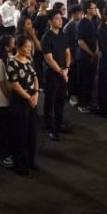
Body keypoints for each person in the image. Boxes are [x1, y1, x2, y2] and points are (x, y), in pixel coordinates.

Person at [6, 33, 40, 176]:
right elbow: (15, 85)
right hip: (20, 102)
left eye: (30, 47)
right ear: (18, 48)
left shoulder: (29, 60)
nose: (29, 50)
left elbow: (35, 77)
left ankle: (31, 161)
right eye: (26, 48)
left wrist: (36, 94)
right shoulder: (12, 62)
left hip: (32, 99)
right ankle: (21, 163)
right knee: (20, 133)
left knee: (32, 133)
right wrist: (29, 98)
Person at [41, 8, 72, 141]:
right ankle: (50, 128)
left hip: (63, 72)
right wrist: (61, 71)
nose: (60, 21)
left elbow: (68, 53)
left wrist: (67, 69)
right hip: (52, 75)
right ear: (50, 21)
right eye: (57, 19)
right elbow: (49, 58)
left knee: (60, 100)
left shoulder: (63, 35)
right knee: (50, 101)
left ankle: (59, 124)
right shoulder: (46, 38)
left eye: (60, 18)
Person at [0, 34, 16, 167]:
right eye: (13, 42)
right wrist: (10, 99)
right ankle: (2, 155)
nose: (15, 44)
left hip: (10, 100)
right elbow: (1, 83)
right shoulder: (0, 62)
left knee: (10, 129)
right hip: (3, 102)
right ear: (7, 47)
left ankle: (9, 152)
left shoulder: (11, 58)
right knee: (3, 130)